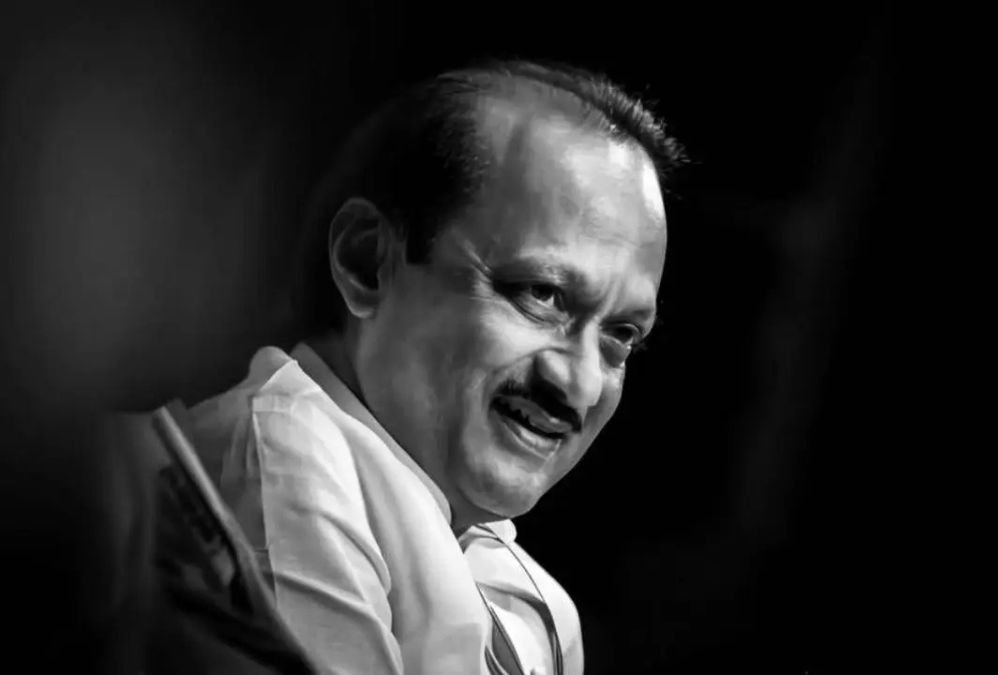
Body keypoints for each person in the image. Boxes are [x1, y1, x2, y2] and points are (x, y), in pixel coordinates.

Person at [185, 58, 684, 675]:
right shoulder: (285, 468)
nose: (579, 384)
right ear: (368, 262)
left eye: (620, 336)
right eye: (542, 294)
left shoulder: (534, 606)